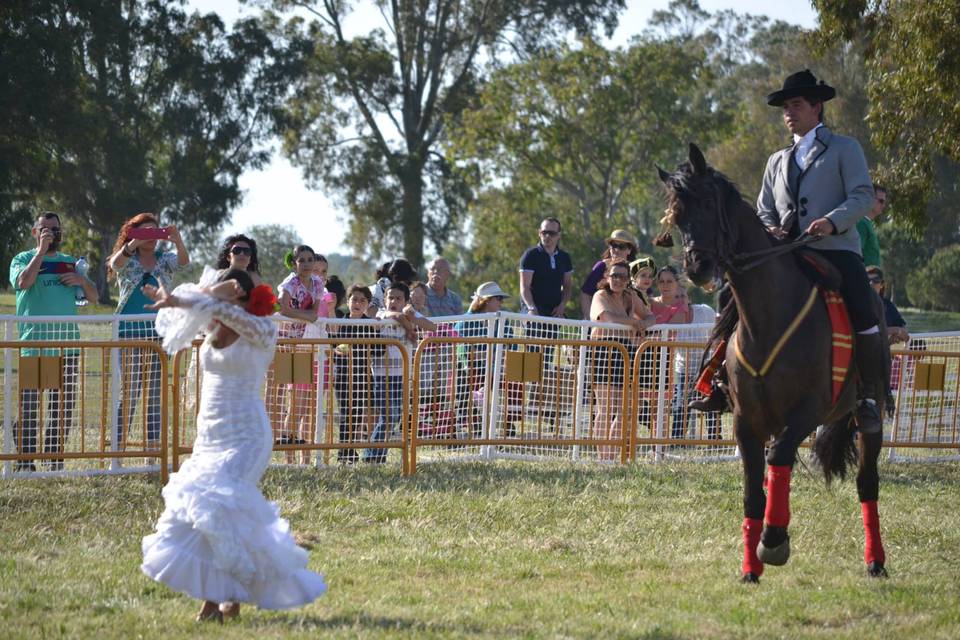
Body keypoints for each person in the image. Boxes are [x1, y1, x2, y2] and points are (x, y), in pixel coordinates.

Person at [693, 69, 884, 434]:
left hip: (834, 249)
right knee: (728, 299)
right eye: (784, 107)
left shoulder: (845, 148)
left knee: (863, 306)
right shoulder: (776, 160)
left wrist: (831, 220)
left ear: (817, 107)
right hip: (784, 254)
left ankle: (868, 396)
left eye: (795, 104)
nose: (787, 112)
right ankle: (719, 383)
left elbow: (861, 195)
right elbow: (764, 209)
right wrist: (769, 229)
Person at [140, 268, 326, 621]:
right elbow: (198, 314)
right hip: (211, 434)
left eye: (226, 293)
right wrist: (196, 295)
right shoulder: (212, 322)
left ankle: (223, 599)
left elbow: (227, 313)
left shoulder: (263, 328)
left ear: (238, 294)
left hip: (247, 436)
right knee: (204, 515)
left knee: (221, 507)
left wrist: (211, 295)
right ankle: (220, 599)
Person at [10, 211, 98, 471]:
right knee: (30, 408)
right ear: (35, 232)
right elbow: (23, 282)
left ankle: (54, 459)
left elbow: (93, 296)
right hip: (35, 343)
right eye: (45, 229)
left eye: (55, 229)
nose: (51, 233)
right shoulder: (23, 258)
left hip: (66, 344)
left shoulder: (70, 262)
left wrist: (81, 280)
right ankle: (25, 462)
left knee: (62, 407)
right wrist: (40, 252)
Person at [107, 213, 189, 449]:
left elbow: (183, 262)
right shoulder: (127, 258)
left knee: (155, 391)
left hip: (161, 332)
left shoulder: (165, 258)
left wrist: (178, 239)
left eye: (155, 233)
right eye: (146, 232)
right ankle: (118, 447)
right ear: (134, 234)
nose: (151, 238)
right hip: (128, 331)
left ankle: (153, 450)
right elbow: (115, 264)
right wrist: (133, 244)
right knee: (130, 391)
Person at [366, 282, 436, 463]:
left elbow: (431, 326)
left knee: (393, 416)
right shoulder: (382, 314)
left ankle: (377, 456)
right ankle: (371, 454)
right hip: (382, 375)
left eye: (398, 298)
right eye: (390, 297)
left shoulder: (410, 313)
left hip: (403, 375)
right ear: (384, 299)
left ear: (406, 301)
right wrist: (408, 326)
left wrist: (412, 315)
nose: (393, 301)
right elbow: (393, 314)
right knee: (390, 415)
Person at [589, 261, 649, 461]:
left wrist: (642, 324)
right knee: (606, 408)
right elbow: (608, 318)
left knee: (627, 409)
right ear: (607, 276)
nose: (618, 280)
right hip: (605, 350)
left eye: (623, 277)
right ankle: (603, 457)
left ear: (628, 280)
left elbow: (651, 318)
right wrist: (634, 323)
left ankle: (611, 456)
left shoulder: (631, 296)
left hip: (627, 351)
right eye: (614, 275)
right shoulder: (600, 295)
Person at [276, 245, 326, 464]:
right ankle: (290, 459)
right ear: (294, 262)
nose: (306, 264)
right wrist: (304, 315)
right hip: (288, 345)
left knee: (305, 407)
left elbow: (315, 312)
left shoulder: (317, 283)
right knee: (295, 405)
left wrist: (303, 315)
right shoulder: (290, 283)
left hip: (307, 345)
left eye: (310, 259)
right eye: (302, 260)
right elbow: (283, 309)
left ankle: (305, 459)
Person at [454, 282, 512, 437]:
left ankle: (505, 421)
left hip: (497, 371)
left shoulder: (503, 322)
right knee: (469, 379)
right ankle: (473, 423)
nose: (501, 302)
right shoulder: (465, 322)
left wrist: (490, 355)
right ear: (487, 300)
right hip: (471, 372)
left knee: (512, 381)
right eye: (498, 298)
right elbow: (467, 355)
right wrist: (494, 354)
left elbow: (508, 350)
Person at [330, 285, 380, 463]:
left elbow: (379, 350)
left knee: (358, 413)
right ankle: (344, 451)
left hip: (363, 376)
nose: (357, 303)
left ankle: (349, 448)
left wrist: (377, 331)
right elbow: (331, 344)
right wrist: (336, 350)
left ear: (367, 304)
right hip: (343, 376)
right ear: (348, 301)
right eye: (354, 299)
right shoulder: (339, 322)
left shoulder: (370, 324)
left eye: (362, 300)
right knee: (345, 413)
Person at [519, 217, 574, 319]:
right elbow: (525, 287)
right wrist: (531, 308)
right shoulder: (530, 255)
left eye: (552, 233)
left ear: (559, 235)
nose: (548, 236)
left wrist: (562, 306)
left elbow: (567, 286)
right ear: (539, 233)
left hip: (554, 312)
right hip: (532, 310)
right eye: (544, 232)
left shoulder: (565, 258)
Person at [579, 229, 638, 318]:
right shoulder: (601, 266)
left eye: (621, 247)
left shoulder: (636, 270)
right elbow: (585, 294)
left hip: (629, 326)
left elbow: (646, 297)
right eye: (613, 245)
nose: (616, 250)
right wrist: (589, 320)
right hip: (603, 324)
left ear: (629, 250)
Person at [866, 266, 908, 344]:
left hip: (883, 354)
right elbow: (870, 330)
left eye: (876, 280)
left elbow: (903, 329)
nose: (871, 283)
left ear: (882, 284)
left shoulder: (888, 305)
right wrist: (896, 330)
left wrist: (894, 337)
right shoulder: (860, 305)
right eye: (867, 280)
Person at [857, 185, 886, 268]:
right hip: (866, 277)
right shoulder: (861, 223)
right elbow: (857, 253)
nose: (883, 205)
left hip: (873, 277)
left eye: (884, 202)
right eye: (881, 201)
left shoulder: (867, 223)